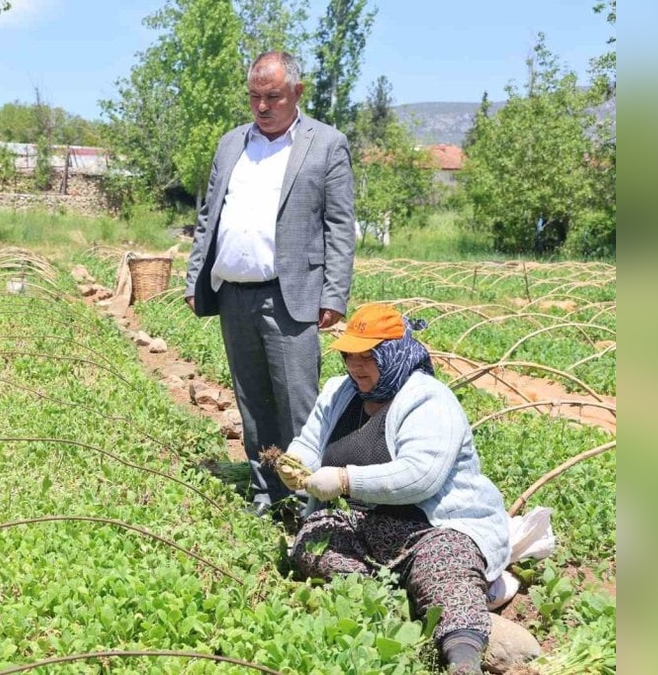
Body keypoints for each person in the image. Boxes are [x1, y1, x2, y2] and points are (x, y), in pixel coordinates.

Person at [276, 304, 511, 675]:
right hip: (357, 523)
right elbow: (310, 440)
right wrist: (295, 463)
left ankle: (463, 658)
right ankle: (384, 600)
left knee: (446, 566)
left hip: (428, 527)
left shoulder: (427, 398)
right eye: (350, 354)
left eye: (368, 355)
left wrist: (344, 480)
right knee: (313, 545)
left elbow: (421, 476)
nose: (356, 365)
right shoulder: (339, 390)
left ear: (393, 353)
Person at [184, 51, 356, 516]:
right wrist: (194, 272)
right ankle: (267, 493)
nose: (262, 106)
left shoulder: (326, 144)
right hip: (235, 294)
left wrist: (334, 293)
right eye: (255, 97)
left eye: (273, 97)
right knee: (253, 404)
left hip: (291, 295)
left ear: (297, 93)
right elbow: (208, 218)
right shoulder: (230, 144)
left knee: (298, 404)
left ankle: (309, 502)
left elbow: (340, 225)